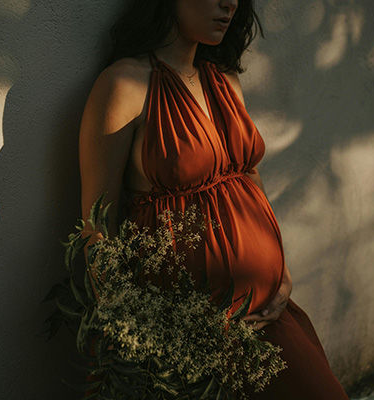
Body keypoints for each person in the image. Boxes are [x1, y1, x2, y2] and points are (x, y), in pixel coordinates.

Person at [78, 0, 350, 398]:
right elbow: (95, 225)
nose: (231, 4)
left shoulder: (223, 79)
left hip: (265, 313)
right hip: (191, 337)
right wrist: (138, 333)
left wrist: (280, 271)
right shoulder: (124, 85)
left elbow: (247, 177)